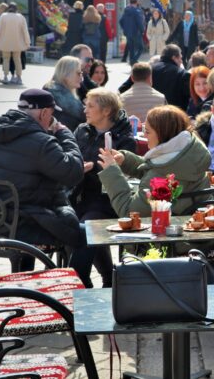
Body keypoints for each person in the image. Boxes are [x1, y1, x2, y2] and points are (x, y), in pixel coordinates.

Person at [0, 89, 96, 286]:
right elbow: (73, 172)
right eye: (51, 114)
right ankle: (77, 289)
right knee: (88, 234)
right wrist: (64, 133)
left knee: (31, 207)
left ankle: (27, 285)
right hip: (22, 226)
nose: (51, 119)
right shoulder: (41, 142)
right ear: (44, 113)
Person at [97, 105, 211, 217]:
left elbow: (129, 212)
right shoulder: (187, 153)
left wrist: (111, 171)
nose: (144, 136)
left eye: (147, 131)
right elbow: (159, 167)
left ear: (163, 134)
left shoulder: (161, 178)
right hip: (190, 221)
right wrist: (126, 160)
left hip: (166, 230)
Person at [73, 88, 136, 287]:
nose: (85, 109)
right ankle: (107, 278)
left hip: (106, 201)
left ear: (107, 110)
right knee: (70, 227)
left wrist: (92, 169)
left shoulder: (124, 139)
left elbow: (122, 177)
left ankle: (76, 282)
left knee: (87, 228)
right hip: (78, 196)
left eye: (91, 106)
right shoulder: (81, 130)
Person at [42, 56, 85, 131]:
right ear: (66, 74)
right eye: (78, 73)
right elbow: (83, 113)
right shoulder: (55, 90)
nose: (81, 77)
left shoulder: (56, 88)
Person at [0, 2, 30, 85]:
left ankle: (5, 77)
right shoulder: (21, 17)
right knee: (17, 59)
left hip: (5, 43)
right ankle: (19, 78)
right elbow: (25, 31)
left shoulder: (3, 16)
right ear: (16, 9)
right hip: (17, 43)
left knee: (6, 59)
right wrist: (28, 42)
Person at [149, 44, 190, 111]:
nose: (181, 61)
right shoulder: (183, 74)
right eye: (180, 58)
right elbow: (187, 98)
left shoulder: (149, 70)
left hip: (154, 112)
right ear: (174, 58)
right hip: (175, 114)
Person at [120, 0, 145, 65]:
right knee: (141, 48)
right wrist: (142, 30)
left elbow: (121, 21)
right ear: (136, 3)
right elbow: (139, 22)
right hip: (136, 32)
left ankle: (132, 61)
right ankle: (133, 60)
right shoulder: (137, 11)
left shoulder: (126, 11)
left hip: (128, 33)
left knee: (131, 48)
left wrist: (125, 29)